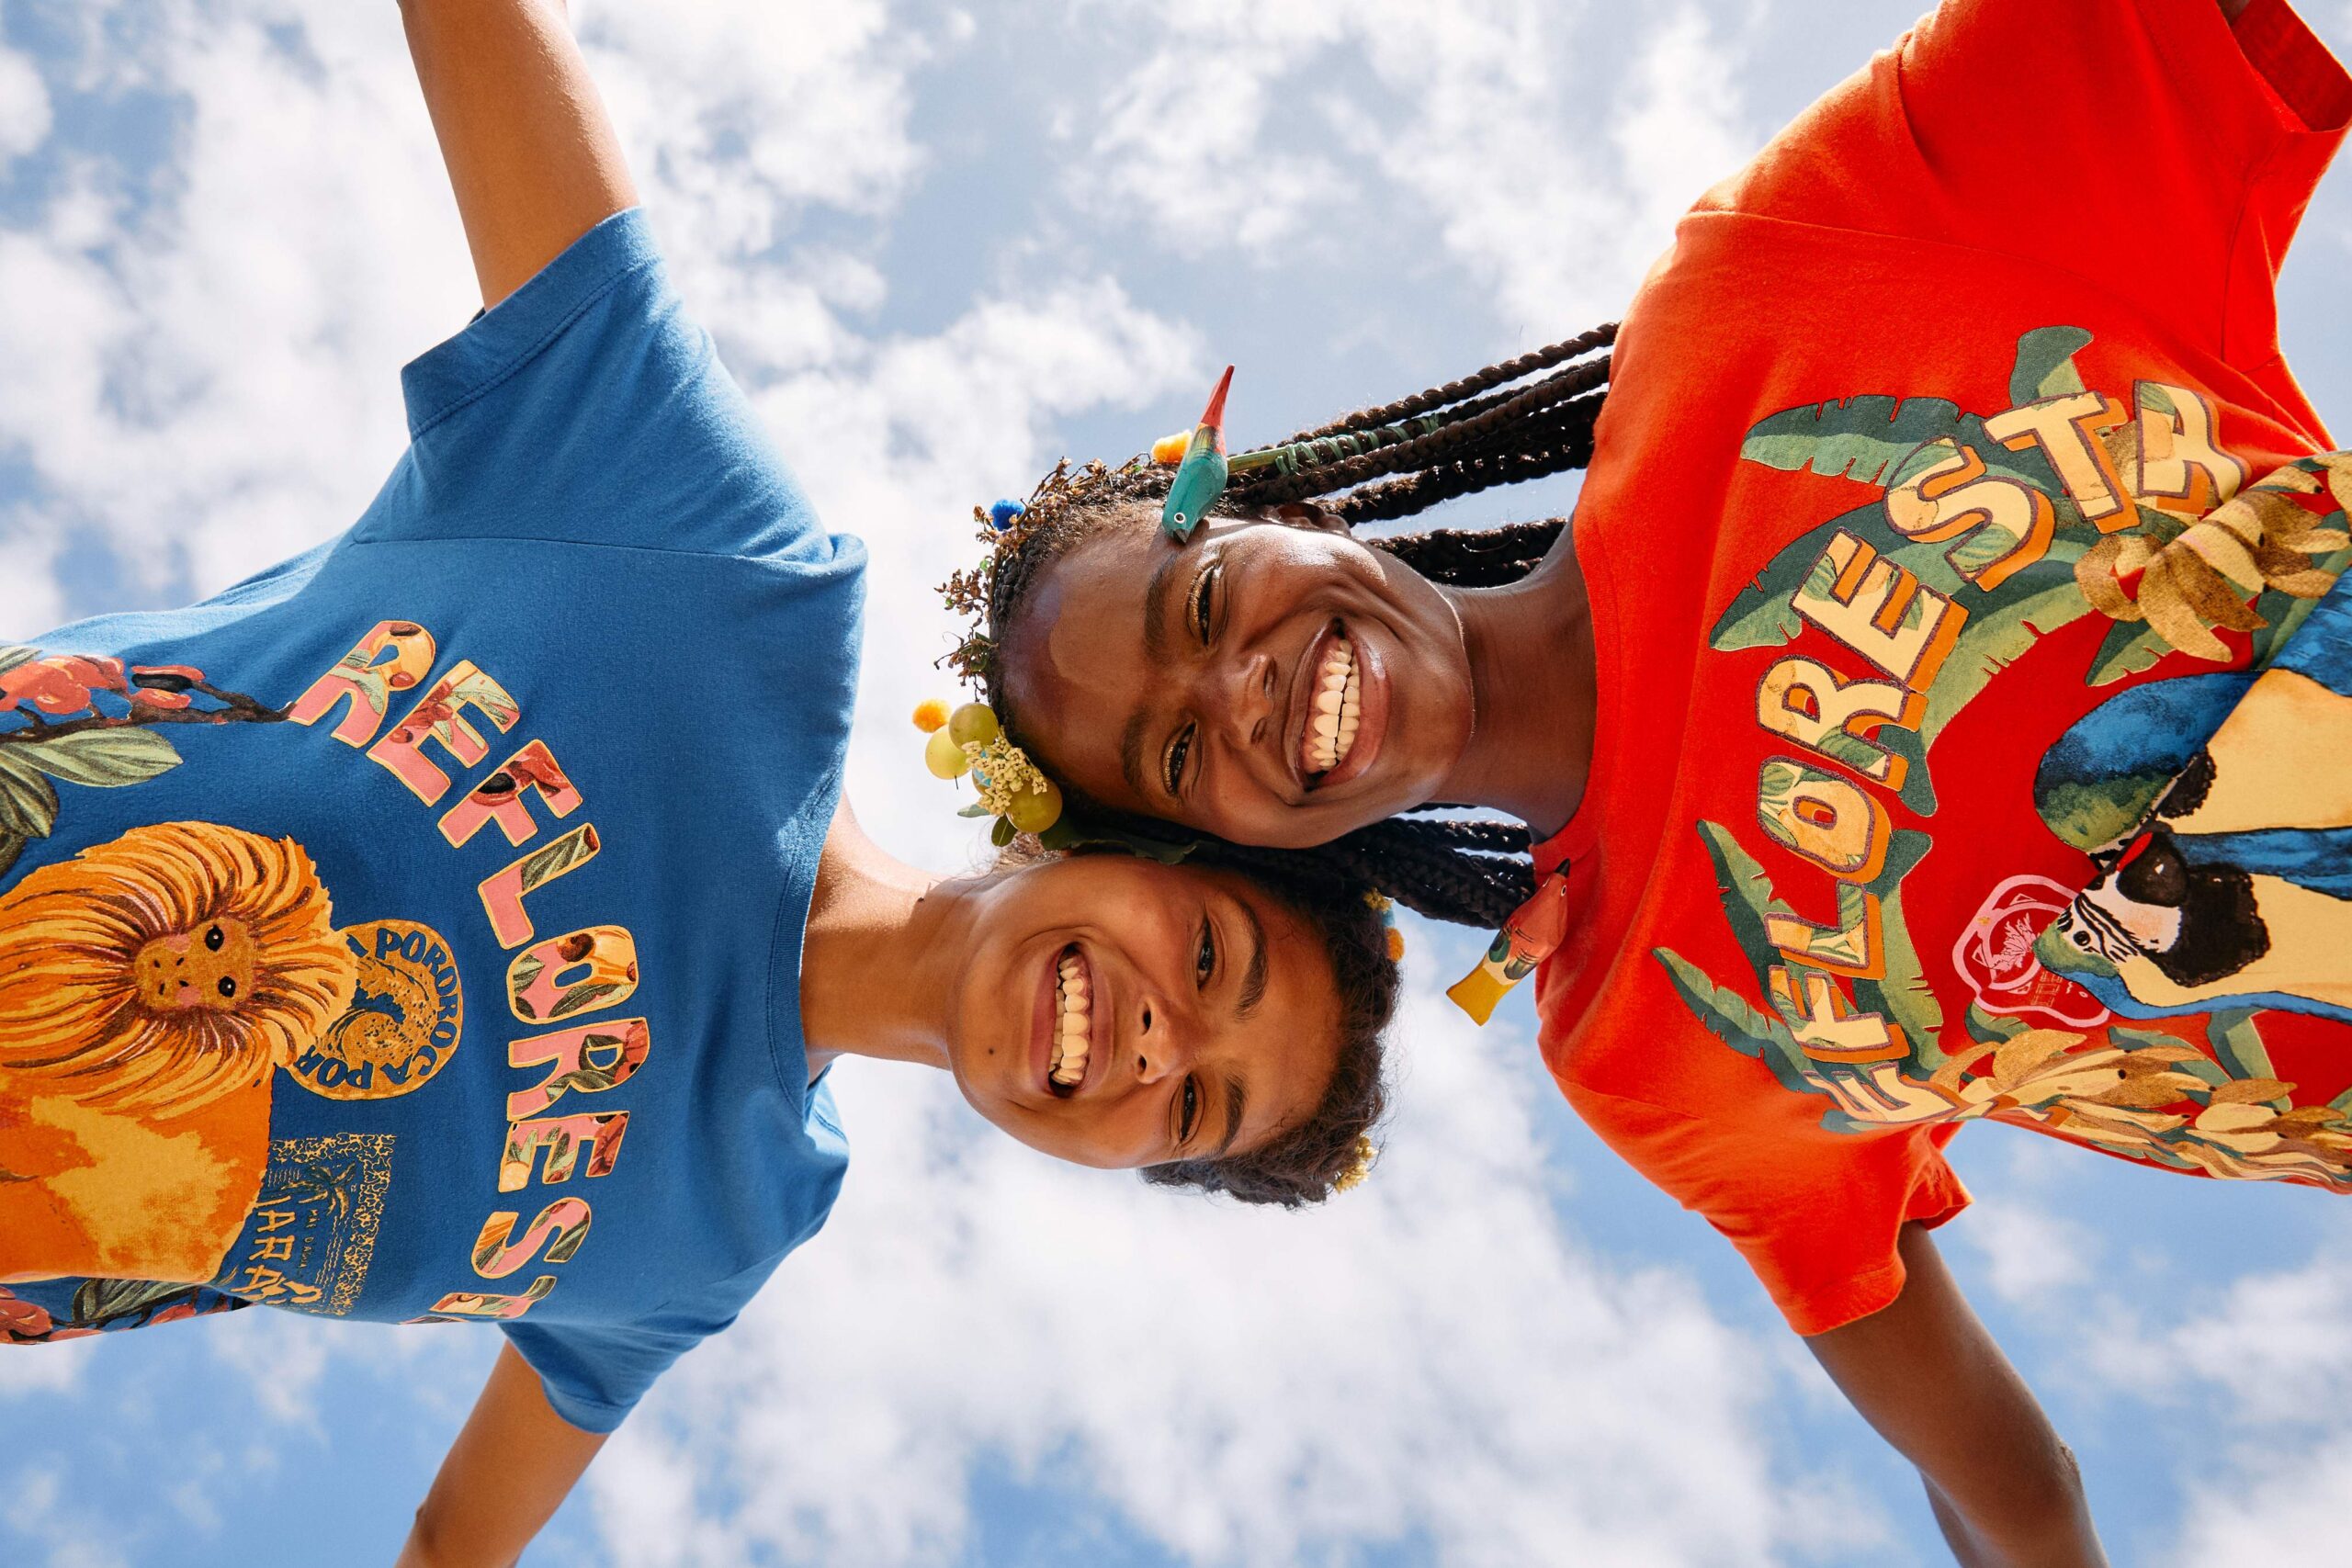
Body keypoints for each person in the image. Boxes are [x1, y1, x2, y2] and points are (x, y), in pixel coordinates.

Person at [0, 4, 1399, 1565]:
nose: (1160, 1041)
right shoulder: (730, 583)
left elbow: (458, 1547)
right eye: (1214, 961)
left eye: (1197, 1110)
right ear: (1138, 834)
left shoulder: (714, 1235)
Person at [955, 0, 2352, 1561]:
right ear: (1231, 847)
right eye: (1178, 756)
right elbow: (2015, 1493)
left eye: (1204, 607)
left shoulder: (1773, 278)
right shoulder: (1643, 1035)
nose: (1240, 690)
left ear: (1264, 502)